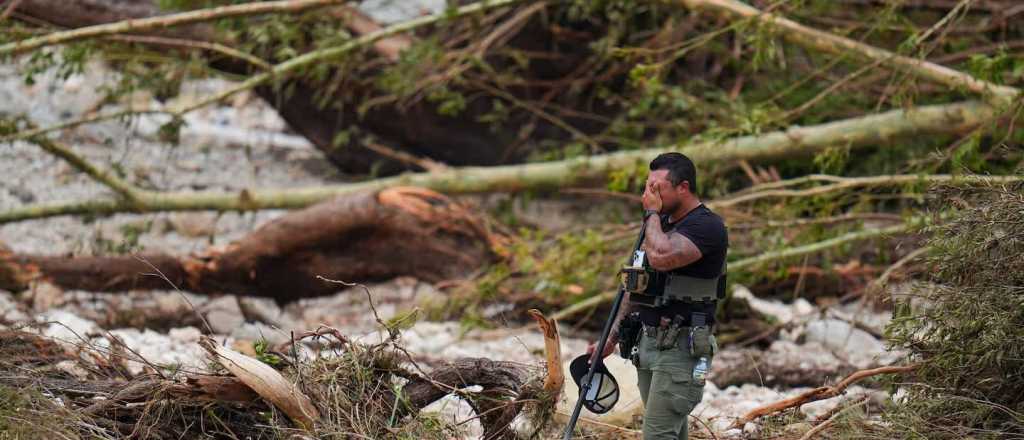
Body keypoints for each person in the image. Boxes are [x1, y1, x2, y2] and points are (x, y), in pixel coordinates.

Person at [588, 152, 728, 440]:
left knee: (657, 434)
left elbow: (662, 256)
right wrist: (611, 338)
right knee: (670, 434)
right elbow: (635, 285)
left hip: (682, 349)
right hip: (648, 343)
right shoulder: (658, 225)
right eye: (647, 187)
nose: (649, 195)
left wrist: (651, 214)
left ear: (683, 187)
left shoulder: (707, 226)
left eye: (656, 188)